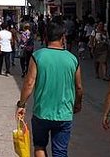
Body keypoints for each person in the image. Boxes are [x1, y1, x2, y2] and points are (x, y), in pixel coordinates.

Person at [16, 21, 83, 157]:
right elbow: (79, 87)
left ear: (46, 36)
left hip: (42, 112)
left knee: (39, 146)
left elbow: (29, 83)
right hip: (64, 113)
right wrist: (77, 104)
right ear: (63, 37)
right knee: (60, 152)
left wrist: (21, 104)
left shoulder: (38, 56)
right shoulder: (72, 59)